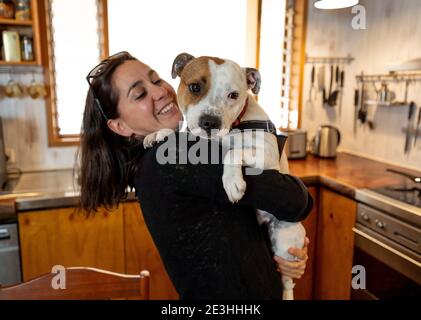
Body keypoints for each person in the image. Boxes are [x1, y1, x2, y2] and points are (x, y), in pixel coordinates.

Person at [79, 51, 313, 299]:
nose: (158, 92)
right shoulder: (172, 157)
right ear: (120, 126)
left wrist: (279, 252)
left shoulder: (165, 154)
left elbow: (234, 233)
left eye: (156, 80)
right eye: (139, 94)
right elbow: (296, 200)